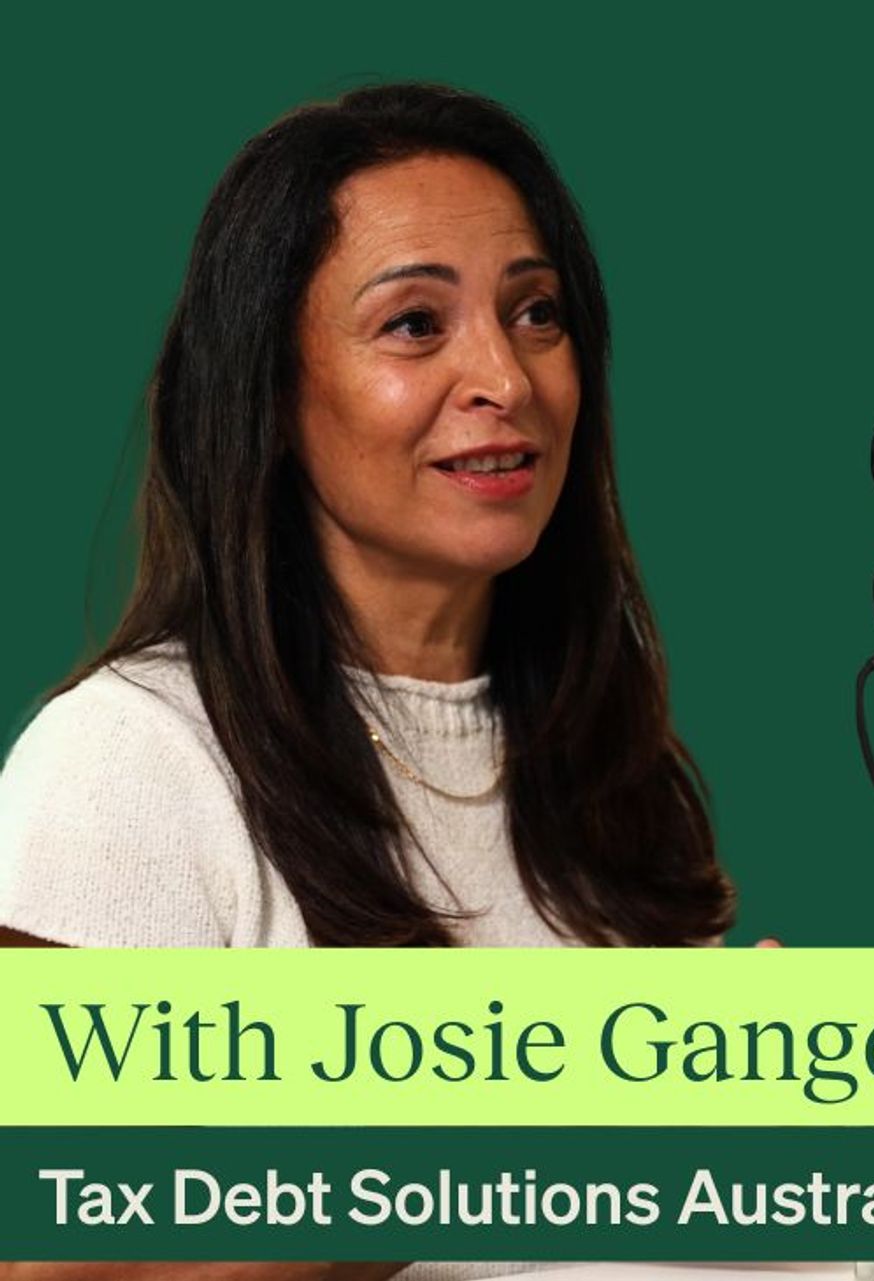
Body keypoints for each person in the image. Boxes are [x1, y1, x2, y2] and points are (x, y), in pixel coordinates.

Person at [0, 83, 735, 1279]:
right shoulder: (129, 761)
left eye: (537, 312)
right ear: (270, 392)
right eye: (414, 324)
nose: (504, 375)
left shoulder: (595, 746)